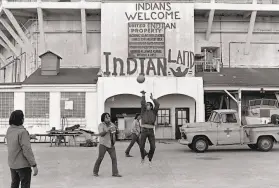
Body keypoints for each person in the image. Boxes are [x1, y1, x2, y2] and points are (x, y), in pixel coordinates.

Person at [6, 110, 38, 188]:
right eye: (23, 117)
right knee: (25, 185)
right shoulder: (22, 132)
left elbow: (15, 139)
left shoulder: (9, 130)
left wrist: (29, 136)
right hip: (23, 166)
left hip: (12, 164)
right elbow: (27, 150)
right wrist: (34, 165)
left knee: (14, 184)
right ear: (20, 119)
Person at [93, 112, 122, 177]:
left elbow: (115, 132)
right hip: (103, 144)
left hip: (111, 144)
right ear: (103, 118)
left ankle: (115, 173)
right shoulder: (101, 125)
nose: (108, 118)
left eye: (109, 117)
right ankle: (95, 171)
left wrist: (117, 130)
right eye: (106, 117)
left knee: (114, 158)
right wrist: (107, 130)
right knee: (100, 158)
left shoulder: (112, 124)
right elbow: (101, 134)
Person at [139, 90, 160, 168]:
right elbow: (142, 103)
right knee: (141, 146)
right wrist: (143, 95)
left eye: (148, 105)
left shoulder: (154, 112)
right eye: (146, 105)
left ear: (151, 106)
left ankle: (150, 158)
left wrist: (152, 99)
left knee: (153, 147)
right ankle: (143, 156)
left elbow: (157, 104)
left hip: (151, 131)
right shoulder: (143, 112)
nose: (146, 106)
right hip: (144, 130)